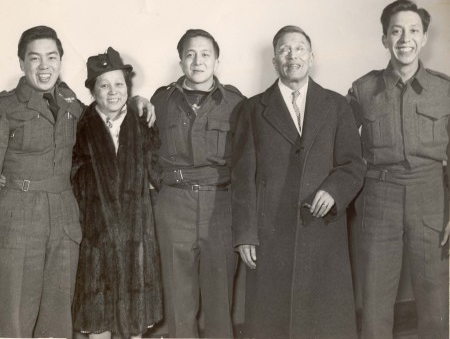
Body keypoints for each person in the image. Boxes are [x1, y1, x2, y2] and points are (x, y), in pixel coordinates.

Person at [0, 26, 153, 338]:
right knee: (15, 310)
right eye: (35, 58)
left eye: (52, 57)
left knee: (58, 311)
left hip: (65, 217)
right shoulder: (6, 107)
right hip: (20, 214)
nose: (44, 66)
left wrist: (138, 99)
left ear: (60, 61)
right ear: (21, 63)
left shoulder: (71, 104)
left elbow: (106, 111)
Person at [232, 25, 366, 339]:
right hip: (270, 234)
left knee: (325, 322)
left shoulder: (336, 105)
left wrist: (333, 192)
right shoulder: (251, 109)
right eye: (284, 50)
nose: (293, 56)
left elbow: (353, 164)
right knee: (272, 322)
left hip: (323, 232)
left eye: (300, 48)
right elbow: (243, 177)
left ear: (311, 57)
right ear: (275, 61)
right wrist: (245, 234)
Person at [347, 0, 449, 339]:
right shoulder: (363, 90)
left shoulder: (444, 90)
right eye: (396, 31)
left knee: (435, 300)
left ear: (424, 38)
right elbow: (344, 150)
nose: (405, 38)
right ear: (384, 39)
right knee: (375, 299)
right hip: (380, 199)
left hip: (431, 197)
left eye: (413, 31)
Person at [150, 29, 245, 338]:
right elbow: (147, 151)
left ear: (216, 60)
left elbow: (247, 158)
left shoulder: (235, 102)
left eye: (205, 54)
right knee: (179, 301)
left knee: (220, 300)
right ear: (180, 61)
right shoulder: (161, 100)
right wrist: (167, 185)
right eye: (190, 54)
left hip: (219, 207)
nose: (198, 60)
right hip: (173, 205)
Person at [71, 47, 163, 339]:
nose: (113, 92)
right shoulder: (80, 128)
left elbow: (157, 174)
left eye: (119, 84)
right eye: (104, 85)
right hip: (96, 240)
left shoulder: (143, 122)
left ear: (129, 87)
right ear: (92, 91)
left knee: (135, 323)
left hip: (137, 240)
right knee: (100, 323)